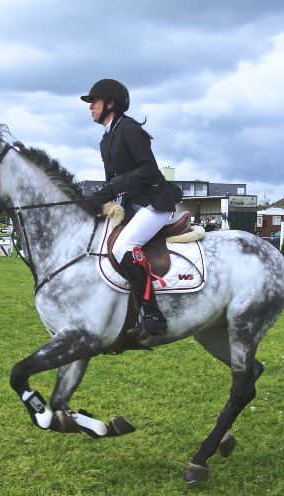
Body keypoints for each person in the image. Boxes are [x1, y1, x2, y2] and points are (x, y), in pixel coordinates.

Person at [82, 79, 183, 339]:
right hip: (133, 206)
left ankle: (152, 315)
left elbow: (149, 169)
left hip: (155, 203)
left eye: (94, 101)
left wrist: (114, 185)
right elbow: (111, 183)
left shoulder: (129, 129)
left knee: (122, 247)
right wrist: (98, 199)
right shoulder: (106, 140)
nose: (90, 106)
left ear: (111, 103)